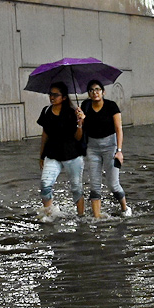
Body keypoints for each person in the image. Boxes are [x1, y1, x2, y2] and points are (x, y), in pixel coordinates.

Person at [80, 79, 131, 218]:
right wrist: (81, 120)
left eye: (97, 89)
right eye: (91, 90)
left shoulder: (111, 106)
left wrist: (119, 151)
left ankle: (125, 208)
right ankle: (97, 219)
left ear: (103, 92)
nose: (94, 92)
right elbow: (80, 130)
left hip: (110, 146)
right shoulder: (85, 105)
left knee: (113, 184)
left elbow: (119, 129)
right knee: (95, 185)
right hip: (92, 147)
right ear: (89, 93)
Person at [37, 80, 85, 218]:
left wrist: (80, 123)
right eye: (50, 94)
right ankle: (48, 215)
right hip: (52, 155)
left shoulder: (72, 112)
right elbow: (45, 134)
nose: (52, 97)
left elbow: (78, 137)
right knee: (45, 186)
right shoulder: (46, 111)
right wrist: (41, 156)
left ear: (64, 97)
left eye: (55, 94)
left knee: (76, 188)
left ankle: (81, 217)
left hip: (72, 155)